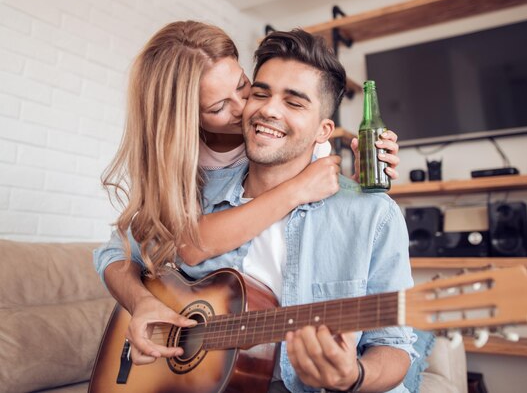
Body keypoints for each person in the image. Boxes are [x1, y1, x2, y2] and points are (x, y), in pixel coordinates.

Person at [94, 21, 418, 391]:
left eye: (243, 89)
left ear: (325, 130)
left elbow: (392, 347)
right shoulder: (191, 185)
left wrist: (354, 376)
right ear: (193, 119)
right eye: (260, 95)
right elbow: (122, 254)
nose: (259, 110)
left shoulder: (370, 215)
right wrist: (143, 304)